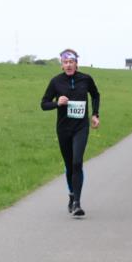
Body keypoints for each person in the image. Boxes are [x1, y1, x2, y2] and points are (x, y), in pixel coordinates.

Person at [41, 49, 100, 217]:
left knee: (77, 162)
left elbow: (95, 95)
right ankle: (72, 194)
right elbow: (44, 104)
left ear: (76, 63)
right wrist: (57, 103)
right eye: (65, 62)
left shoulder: (86, 79)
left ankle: (77, 204)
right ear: (62, 65)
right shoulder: (56, 82)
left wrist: (95, 114)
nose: (68, 65)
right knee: (69, 165)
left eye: (71, 62)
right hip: (63, 129)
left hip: (81, 127)